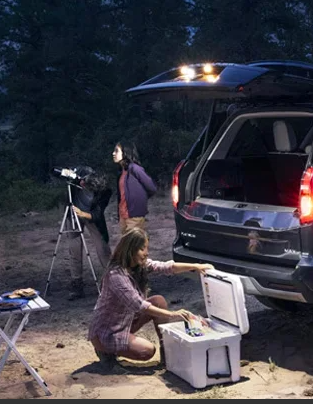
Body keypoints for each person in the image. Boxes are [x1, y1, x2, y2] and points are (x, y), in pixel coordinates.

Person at [88, 227, 214, 367]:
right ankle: (106, 352)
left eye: (146, 248)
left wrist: (196, 266)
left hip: (124, 322)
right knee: (147, 350)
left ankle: (168, 352)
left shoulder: (137, 265)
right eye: (142, 249)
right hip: (107, 332)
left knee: (158, 300)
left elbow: (166, 267)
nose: (146, 253)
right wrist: (172, 314)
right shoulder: (116, 276)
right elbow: (139, 305)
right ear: (130, 250)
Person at [65, 166, 113, 301]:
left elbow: (97, 214)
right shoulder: (80, 173)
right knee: (74, 249)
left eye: (85, 186)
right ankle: (76, 284)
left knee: (102, 247)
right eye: (83, 182)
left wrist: (83, 214)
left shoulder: (105, 192)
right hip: (73, 214)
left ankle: (113, 281)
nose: (82, 185)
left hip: (90, 215)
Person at [112, 141, 157, 234]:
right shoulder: (122, 172)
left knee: (135, 245)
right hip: (123, 215)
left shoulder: (134, 168)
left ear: (125, 152)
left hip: (134, 215)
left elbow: (152, 188)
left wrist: (139, 201)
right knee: (128, 245)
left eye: (116, 151)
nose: (113, 153)